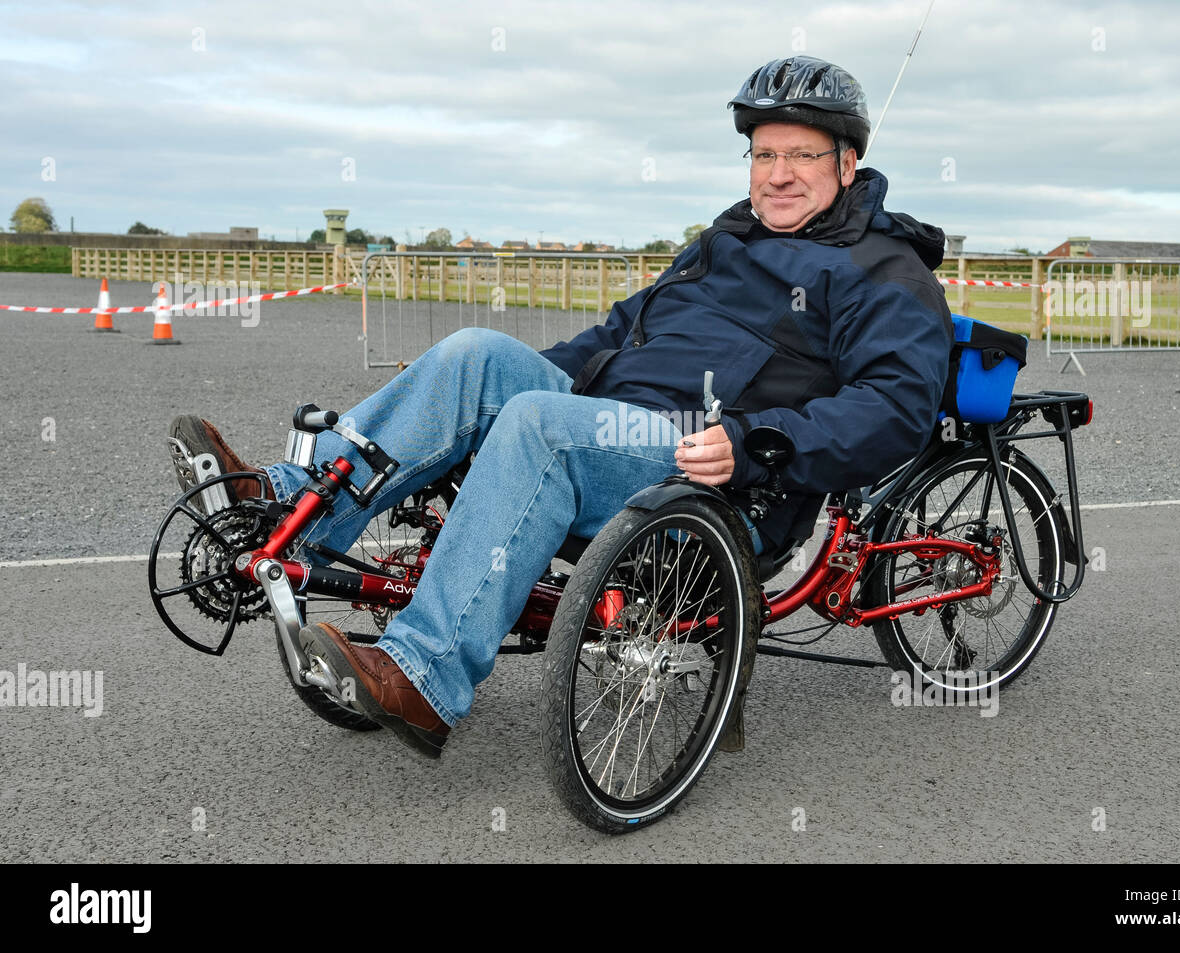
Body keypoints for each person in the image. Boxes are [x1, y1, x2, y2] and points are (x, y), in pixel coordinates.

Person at [167, 56, 953, 759]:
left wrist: (752, 441)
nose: (778, 173)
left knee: (543, 427)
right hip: (609, 422)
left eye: (802, 156)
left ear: (848, 164)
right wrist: (514, 385)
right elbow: (622, 331)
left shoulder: (885, 270)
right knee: (477, 352)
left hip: (719, 469)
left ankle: (424, 674)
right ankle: (282, 503)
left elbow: (896, 408)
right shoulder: (727, 238)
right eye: (765, 154)